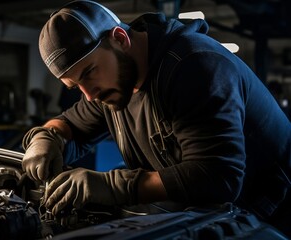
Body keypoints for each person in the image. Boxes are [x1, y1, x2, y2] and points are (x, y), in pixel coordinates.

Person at [21, 0, 291, 235]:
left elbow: (218, 177)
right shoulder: (113, 81)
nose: (89, 94)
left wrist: (114, 186)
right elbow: (71, 123)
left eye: (89, 72)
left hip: (271, 217)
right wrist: (47, 136)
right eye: (75, 85)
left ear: (120, 38)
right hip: (215, 218)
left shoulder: (194, 67)